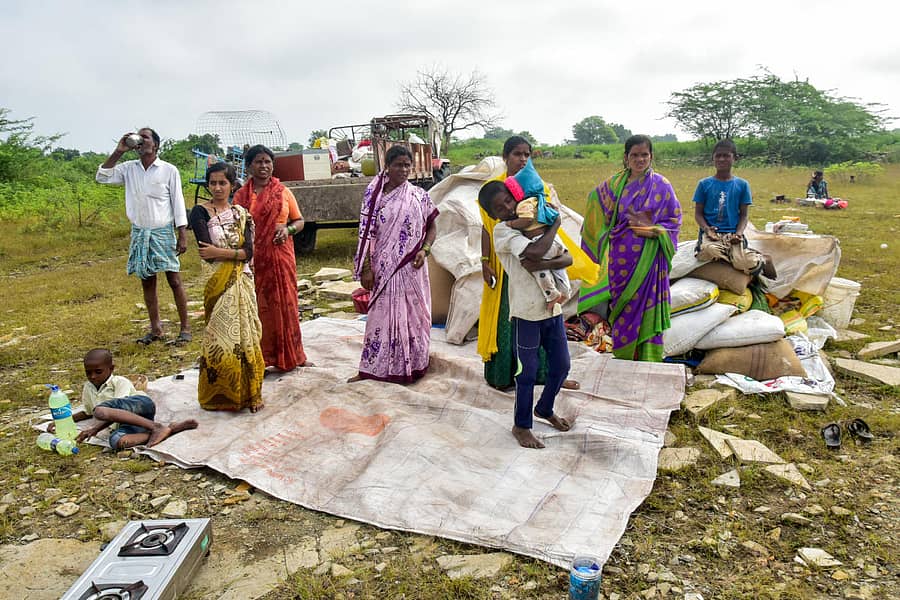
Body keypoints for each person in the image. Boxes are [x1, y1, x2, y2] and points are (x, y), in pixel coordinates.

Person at [478, 136, 594, 390]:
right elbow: (486, 229)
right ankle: (504, 376)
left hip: (537, 257)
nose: (522, 159)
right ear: (505, 156)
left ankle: (547, 375)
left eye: (526, 154)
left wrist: (555, 257)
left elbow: (547, 219)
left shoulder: (534, 186)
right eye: (517, 154)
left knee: (543, 313)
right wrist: (485, 261)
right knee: (508, 317)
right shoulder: (493, 190)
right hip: (508, 262)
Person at [479, 181, 574, 449]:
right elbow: (532, 251)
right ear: (494, 214)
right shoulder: (502, 231)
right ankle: (521, 425)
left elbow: (566, 259)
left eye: (509, 201)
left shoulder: (533, 223)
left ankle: (544, 408)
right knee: (527, 372)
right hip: (525, 314)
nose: (508, 208)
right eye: (500, 207)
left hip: (551, 309)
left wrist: (543, 263)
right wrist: (554, 225)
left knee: (562, 365)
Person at [581, 135, 681, 362]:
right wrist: (603, 233)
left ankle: (647, 358)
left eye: (644, 155)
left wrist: (655, 231)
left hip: (650, 257)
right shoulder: (615, 184)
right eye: (634, 155)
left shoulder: (662, 185)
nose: (640, 159)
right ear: (626, 157)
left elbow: (674, 220)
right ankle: (625, 356)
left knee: (647, 306)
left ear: (651, 156)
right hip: (621, 258)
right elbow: (594, 202)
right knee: (623, 306)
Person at [350, 146, 438, 383]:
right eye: (398, 164)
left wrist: (425, 250)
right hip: (384, 269)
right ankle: (373, 368)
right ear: (387, 167)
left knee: (414, 318)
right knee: (380, 318)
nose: (403, 169)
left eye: (407, 165)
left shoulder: (419, 195)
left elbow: (432, 227)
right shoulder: (374, 197)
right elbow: (365, 234)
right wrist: (367, 268)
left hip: (413, 268)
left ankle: (413, 366)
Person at [96, 128, 191, 345]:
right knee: (147, 280)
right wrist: (119, 151)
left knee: (174, 280)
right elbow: (102, 177)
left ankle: (185, 328)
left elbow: (177, 203)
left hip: (163, 231)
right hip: (140, 232)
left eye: (145, 137)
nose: (140, 140)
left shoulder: (168, 170)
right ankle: (156, 329)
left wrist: (182, 234)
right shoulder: (129, 169)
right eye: (138, 137)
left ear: (155, 145)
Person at [188, 162, 265, 412]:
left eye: (223, 183)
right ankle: (221, 395)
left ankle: (251, 393)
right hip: (217, 283)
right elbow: (205, 253)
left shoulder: (241, 214)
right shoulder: (200, 212)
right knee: (220, 340)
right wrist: (235, 253)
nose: (217, 188)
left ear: (232, 185)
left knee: (248, 337)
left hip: (242, 280)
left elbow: (249, 251)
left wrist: (225, 252)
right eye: (213, 183)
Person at [233, 145, 310, 372]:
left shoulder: (283, 191)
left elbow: (299, 221)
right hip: (254, 259)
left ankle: (294, 355)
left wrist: (288, 231)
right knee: (258, 307)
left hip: (280, 255)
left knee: (286, 304)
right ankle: (263, 359)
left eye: (267, 161)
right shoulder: (241, 196)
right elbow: (236, 227)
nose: (264, 166)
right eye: (258, 162)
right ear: (248, 166)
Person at [47, 348, 198, 449]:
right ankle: (168, 429)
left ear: (111, 369)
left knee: (100, 411)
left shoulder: (120, 382)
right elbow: (87, 412)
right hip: (126, 423)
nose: (93, 376)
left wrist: (94, 429)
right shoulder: (88, 387)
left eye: (98, 372)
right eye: (88, 373)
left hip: (141, 407)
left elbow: (115, 410)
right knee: (117, 442)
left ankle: (156, 427)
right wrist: (62, 422)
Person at [692, 139, 774, 277]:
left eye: (726, 155)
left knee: (745, 263)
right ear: (713, 158)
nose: (721, 159)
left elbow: (743, 215)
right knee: (709, 251)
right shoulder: (704, 184)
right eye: (718, 156)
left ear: (734, 158)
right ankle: (732, 255)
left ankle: (763, 259)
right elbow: (698, 214)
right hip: (712, 235)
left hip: (733, 235)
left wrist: (739, 233)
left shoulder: (742, 185)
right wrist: (707, 229)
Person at [503, 158, 570, 311]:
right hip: (555, 243)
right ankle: (565, 291)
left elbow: (526, 220)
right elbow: (554, 217)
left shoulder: (525, 204)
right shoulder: (543, 201)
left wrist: (512, 224)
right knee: (560, 271)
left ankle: (552, 294)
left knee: (540, 270)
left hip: (540, 243)